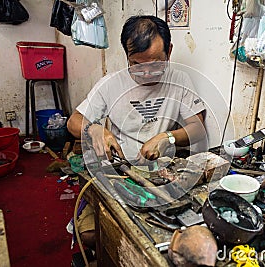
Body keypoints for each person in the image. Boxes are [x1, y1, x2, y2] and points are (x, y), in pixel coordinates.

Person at [67, 15, 207, 249]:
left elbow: (198, 128)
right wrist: (94, 129)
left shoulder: (179, 80)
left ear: (169, 52)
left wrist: (167, 137)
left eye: (156, 64)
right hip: (120, 171)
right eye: (137, 65)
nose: (147, 73)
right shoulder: (111, 84)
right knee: (91, 235)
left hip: (162, 170)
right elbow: (73, 121)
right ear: (127, 56)